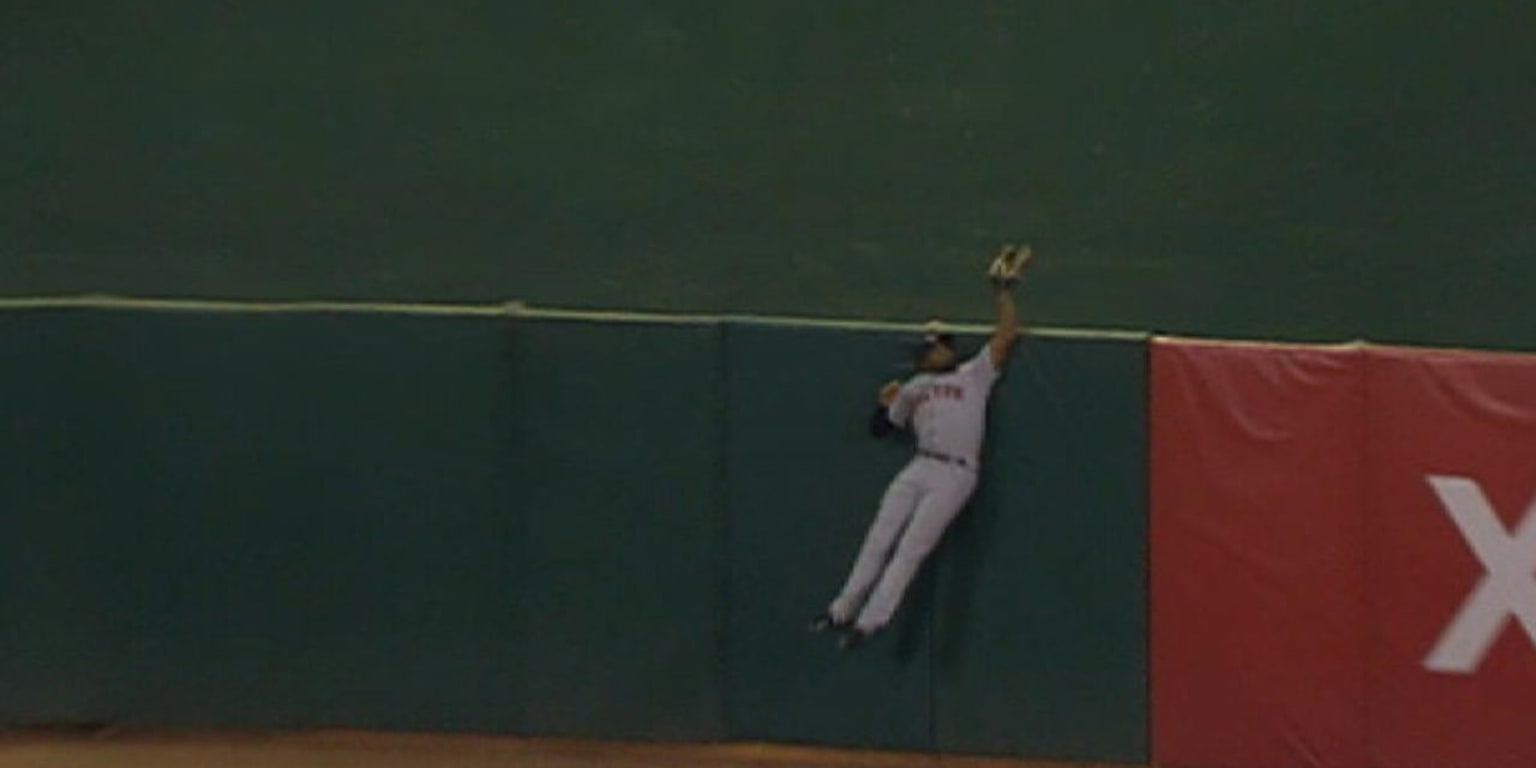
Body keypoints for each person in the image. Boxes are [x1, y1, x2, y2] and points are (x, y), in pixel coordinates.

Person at [812, 244, 1032, 651]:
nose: (928, 353)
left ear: (948, 348)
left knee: (912, 548)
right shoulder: (913, 387)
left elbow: (1007, 336)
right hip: (920, 465)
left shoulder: (974, 375)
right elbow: (881, 429)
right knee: (880, 537)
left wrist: (1002, 292)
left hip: (956, 472)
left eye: (933, 347)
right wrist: (881, 405)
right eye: (924, 349)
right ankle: (841, 610)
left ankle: (870, 623)